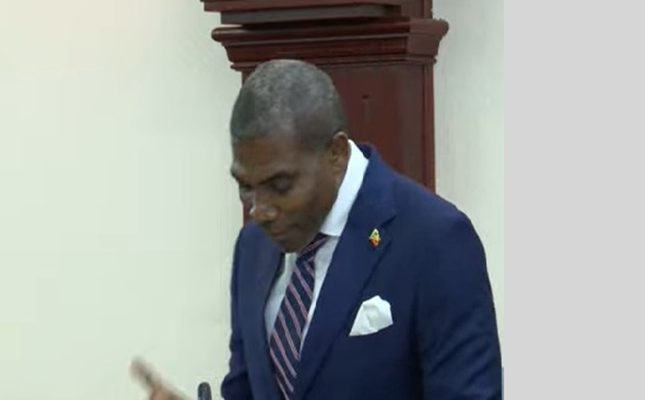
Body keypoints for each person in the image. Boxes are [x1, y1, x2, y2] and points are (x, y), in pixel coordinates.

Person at [131, 59, 502, 400]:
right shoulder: (253, 247)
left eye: (280, 185)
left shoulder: (434, 241)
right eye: (245, 186)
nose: (259, 210)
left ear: (336, 153)